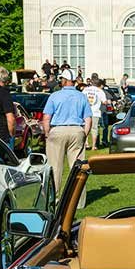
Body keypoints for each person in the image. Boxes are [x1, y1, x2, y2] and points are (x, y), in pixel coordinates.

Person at [42, 68, 92, 199]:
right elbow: (88, 119)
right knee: (78, 168)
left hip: (57, 130)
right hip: (77, 130)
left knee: (55, 167)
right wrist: (84, 135)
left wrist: (47, 134)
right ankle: (78, 201)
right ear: (75, 81)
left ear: (63, 81)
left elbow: (46, 118)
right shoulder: (82, 96)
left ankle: (55, 198)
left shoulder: (54, 96)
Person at [82, 74, 109, 148]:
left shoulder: (85, 89)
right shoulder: (100, 91)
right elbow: (104, 102)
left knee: (85, 128)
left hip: (86, 112)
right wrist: (108, 102)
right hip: (95, 112)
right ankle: (94, 145)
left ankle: (86, 143)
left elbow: (81, 99)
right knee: (94, 129)